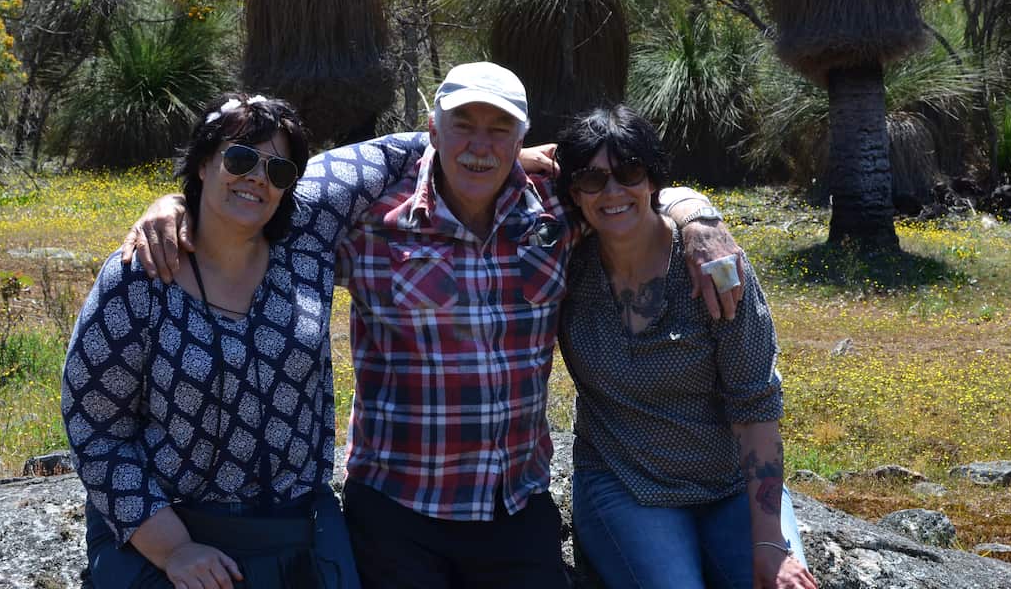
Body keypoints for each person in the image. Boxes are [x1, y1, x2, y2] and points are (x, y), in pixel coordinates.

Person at [123, 64, 745, 588]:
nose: (480, 146)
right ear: (431, 131)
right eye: (463, 127)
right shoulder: (367, 217)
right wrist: (173, 202)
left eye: (499, 131)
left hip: (514, 503)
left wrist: (696, 214)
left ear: (523, 140)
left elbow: (630, 197)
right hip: (398, 506)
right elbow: (256, 191)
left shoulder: (555, 212)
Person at [62, 93, 426, 589]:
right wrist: (175, 549)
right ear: (204, 162)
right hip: (168, 528)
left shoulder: (306, 237)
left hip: (294, 527)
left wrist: (517, 156)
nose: (258, 176)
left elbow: (413, 149)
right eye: (239, 158)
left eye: (279, 171)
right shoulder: (141, 275)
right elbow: (94, 427)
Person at [555, 104, 817, 589]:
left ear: (653, 179)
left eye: (629, 172)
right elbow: (479, 166)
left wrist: (768, 546)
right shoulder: (566, 266)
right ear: (574, 193)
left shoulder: (714, 266)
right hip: (624, 481)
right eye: (592, 180)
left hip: (729, 483)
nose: (612, 191)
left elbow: (755, 402)